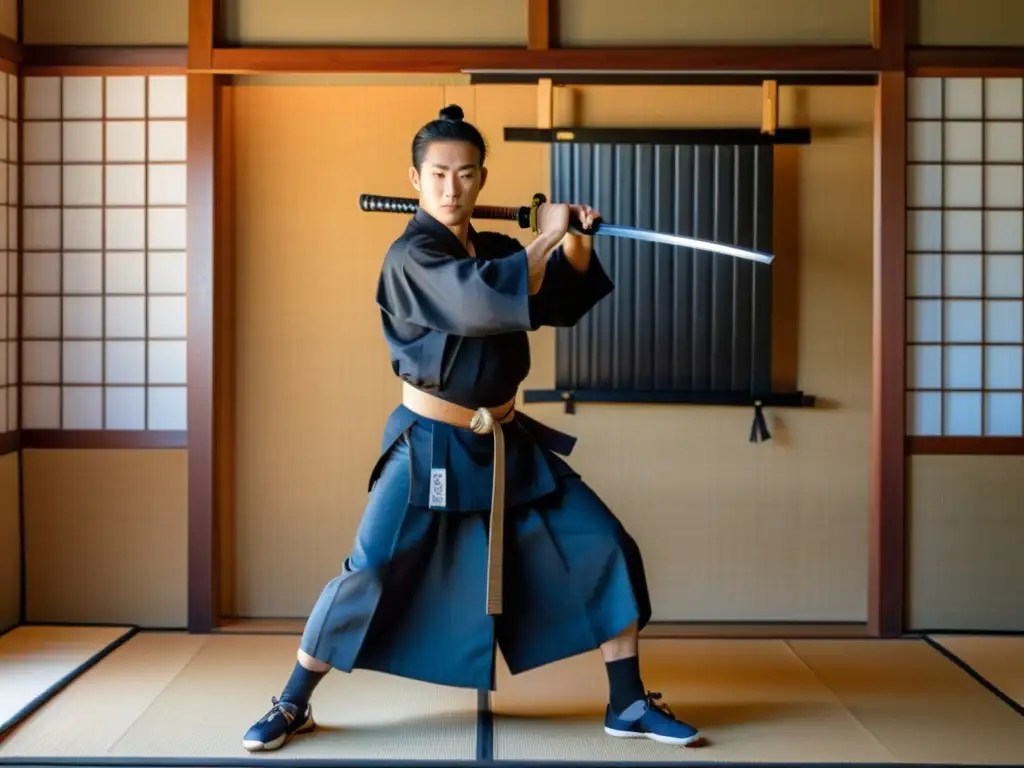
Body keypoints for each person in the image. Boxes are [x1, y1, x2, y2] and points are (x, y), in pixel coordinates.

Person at [242, 104, 703, 753]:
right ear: (414, 178)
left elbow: (554, 301)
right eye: (438, 175)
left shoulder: (492, 248)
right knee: (369, 571)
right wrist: (545, 234)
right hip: (429, 442)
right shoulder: (411, 256)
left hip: (506, 442)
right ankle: (293, 700)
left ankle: (627, 701)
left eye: (465, 174)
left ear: (482, 178)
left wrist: (577, 238)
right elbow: (486, 299)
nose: (452, 189)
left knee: (604, 543)